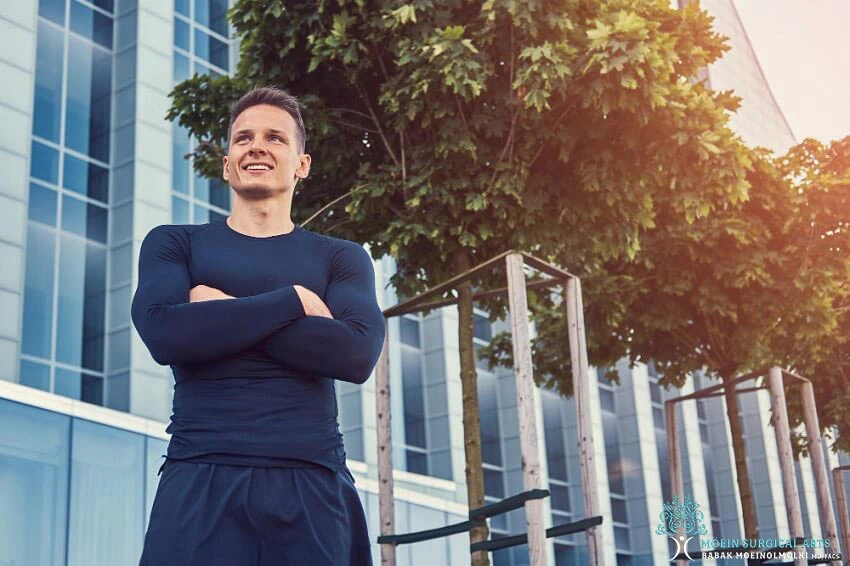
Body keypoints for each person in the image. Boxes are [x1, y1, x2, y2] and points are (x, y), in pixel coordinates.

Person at [133, 86, 384, 566]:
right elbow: (166, 334)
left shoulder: (341, 257)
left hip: (311, 480)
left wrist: (217, 309)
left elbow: (354, 356)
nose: (257, 146)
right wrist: (294, 301)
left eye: (275, 138)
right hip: (200, 475)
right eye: (243, 138)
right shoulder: (174, 244)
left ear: (301, 164)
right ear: (227, 164)